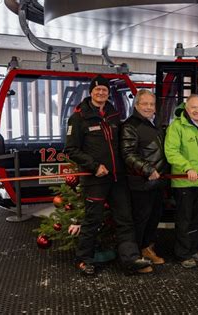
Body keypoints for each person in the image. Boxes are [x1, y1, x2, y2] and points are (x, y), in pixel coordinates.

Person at [65, 75, 151, 275]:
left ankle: (130, 259)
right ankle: (84, 260)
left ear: (108, 92)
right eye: (97, 90)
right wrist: (94, 166)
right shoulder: (79, 117)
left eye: (104, 90)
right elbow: (71, 150)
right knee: (92, 220)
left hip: (117, 178)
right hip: (95, 179)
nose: (101, 93)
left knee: (124, 218)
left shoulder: (113, 114)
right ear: (91, 92)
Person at [120, 89, 169, 271]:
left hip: (157, 183)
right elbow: (127, 154)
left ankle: (147, 248)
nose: (149, 107)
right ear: (137, 105)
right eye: (145, 104)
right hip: (140, 183)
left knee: (153, 218)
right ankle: (135, 258)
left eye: (151, 104)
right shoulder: (130, 126)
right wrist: (147, 169)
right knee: (140, 221)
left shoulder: (155, 124)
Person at [164, 94, 198, 268]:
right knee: (184, 219)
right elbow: (171, 151)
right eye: (194, 107)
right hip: (184, 181)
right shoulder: (177, 127)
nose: (197, 110)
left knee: (194, 219)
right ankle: (182, 254)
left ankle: (192, 249)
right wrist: (187, 168)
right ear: (186, 109)